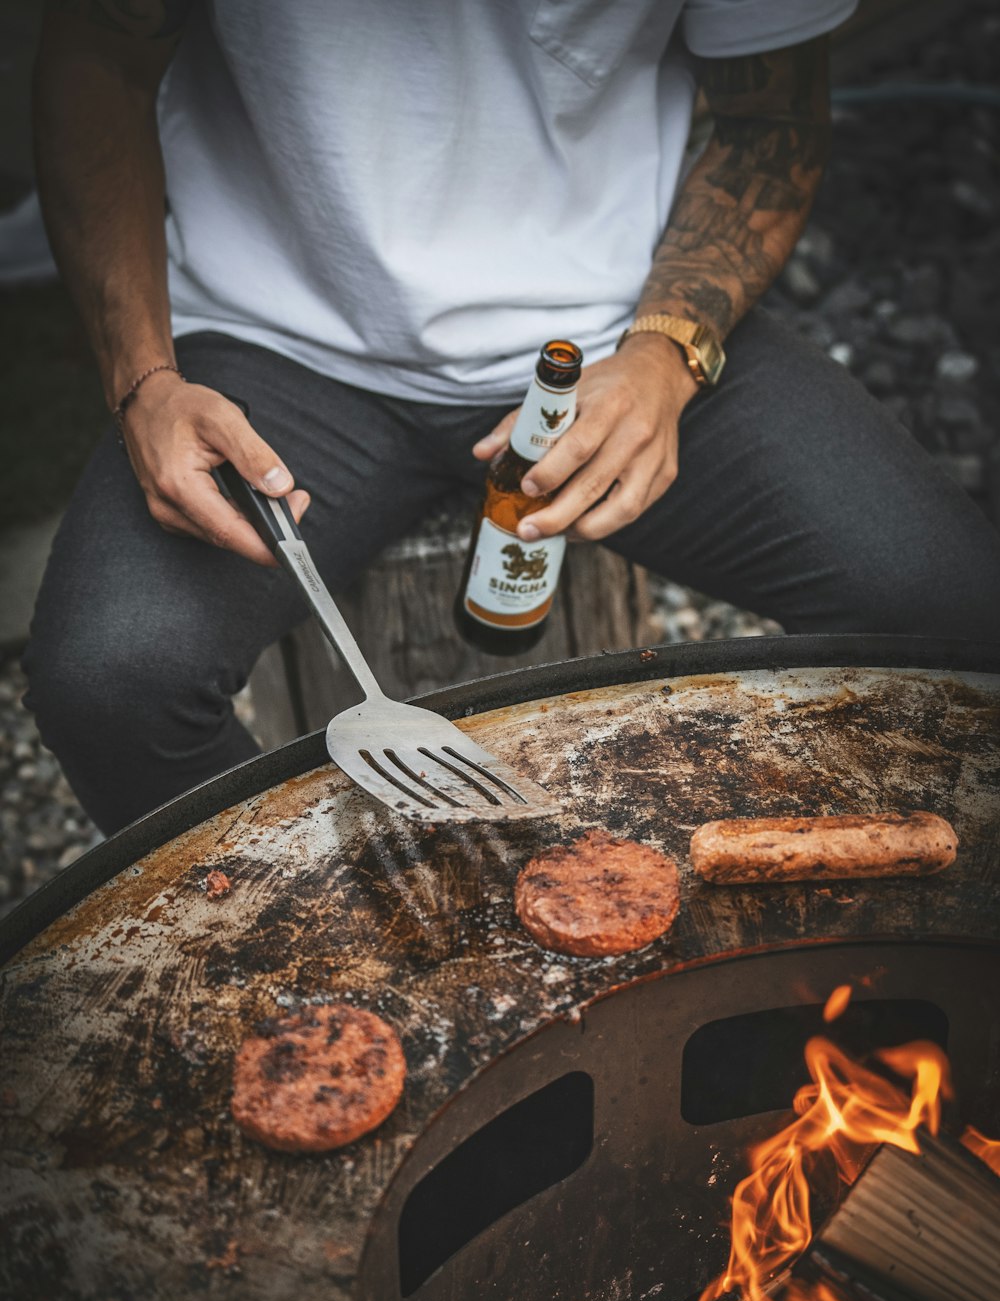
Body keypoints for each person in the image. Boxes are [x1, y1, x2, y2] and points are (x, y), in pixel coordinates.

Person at [24, 0, 1000, 836]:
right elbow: (95, 56)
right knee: (112, 681)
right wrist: (142, 379)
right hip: (273, 350)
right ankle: (326, 998)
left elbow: (771, 118)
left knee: (948, 615)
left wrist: (665, 354)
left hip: (614, 341)